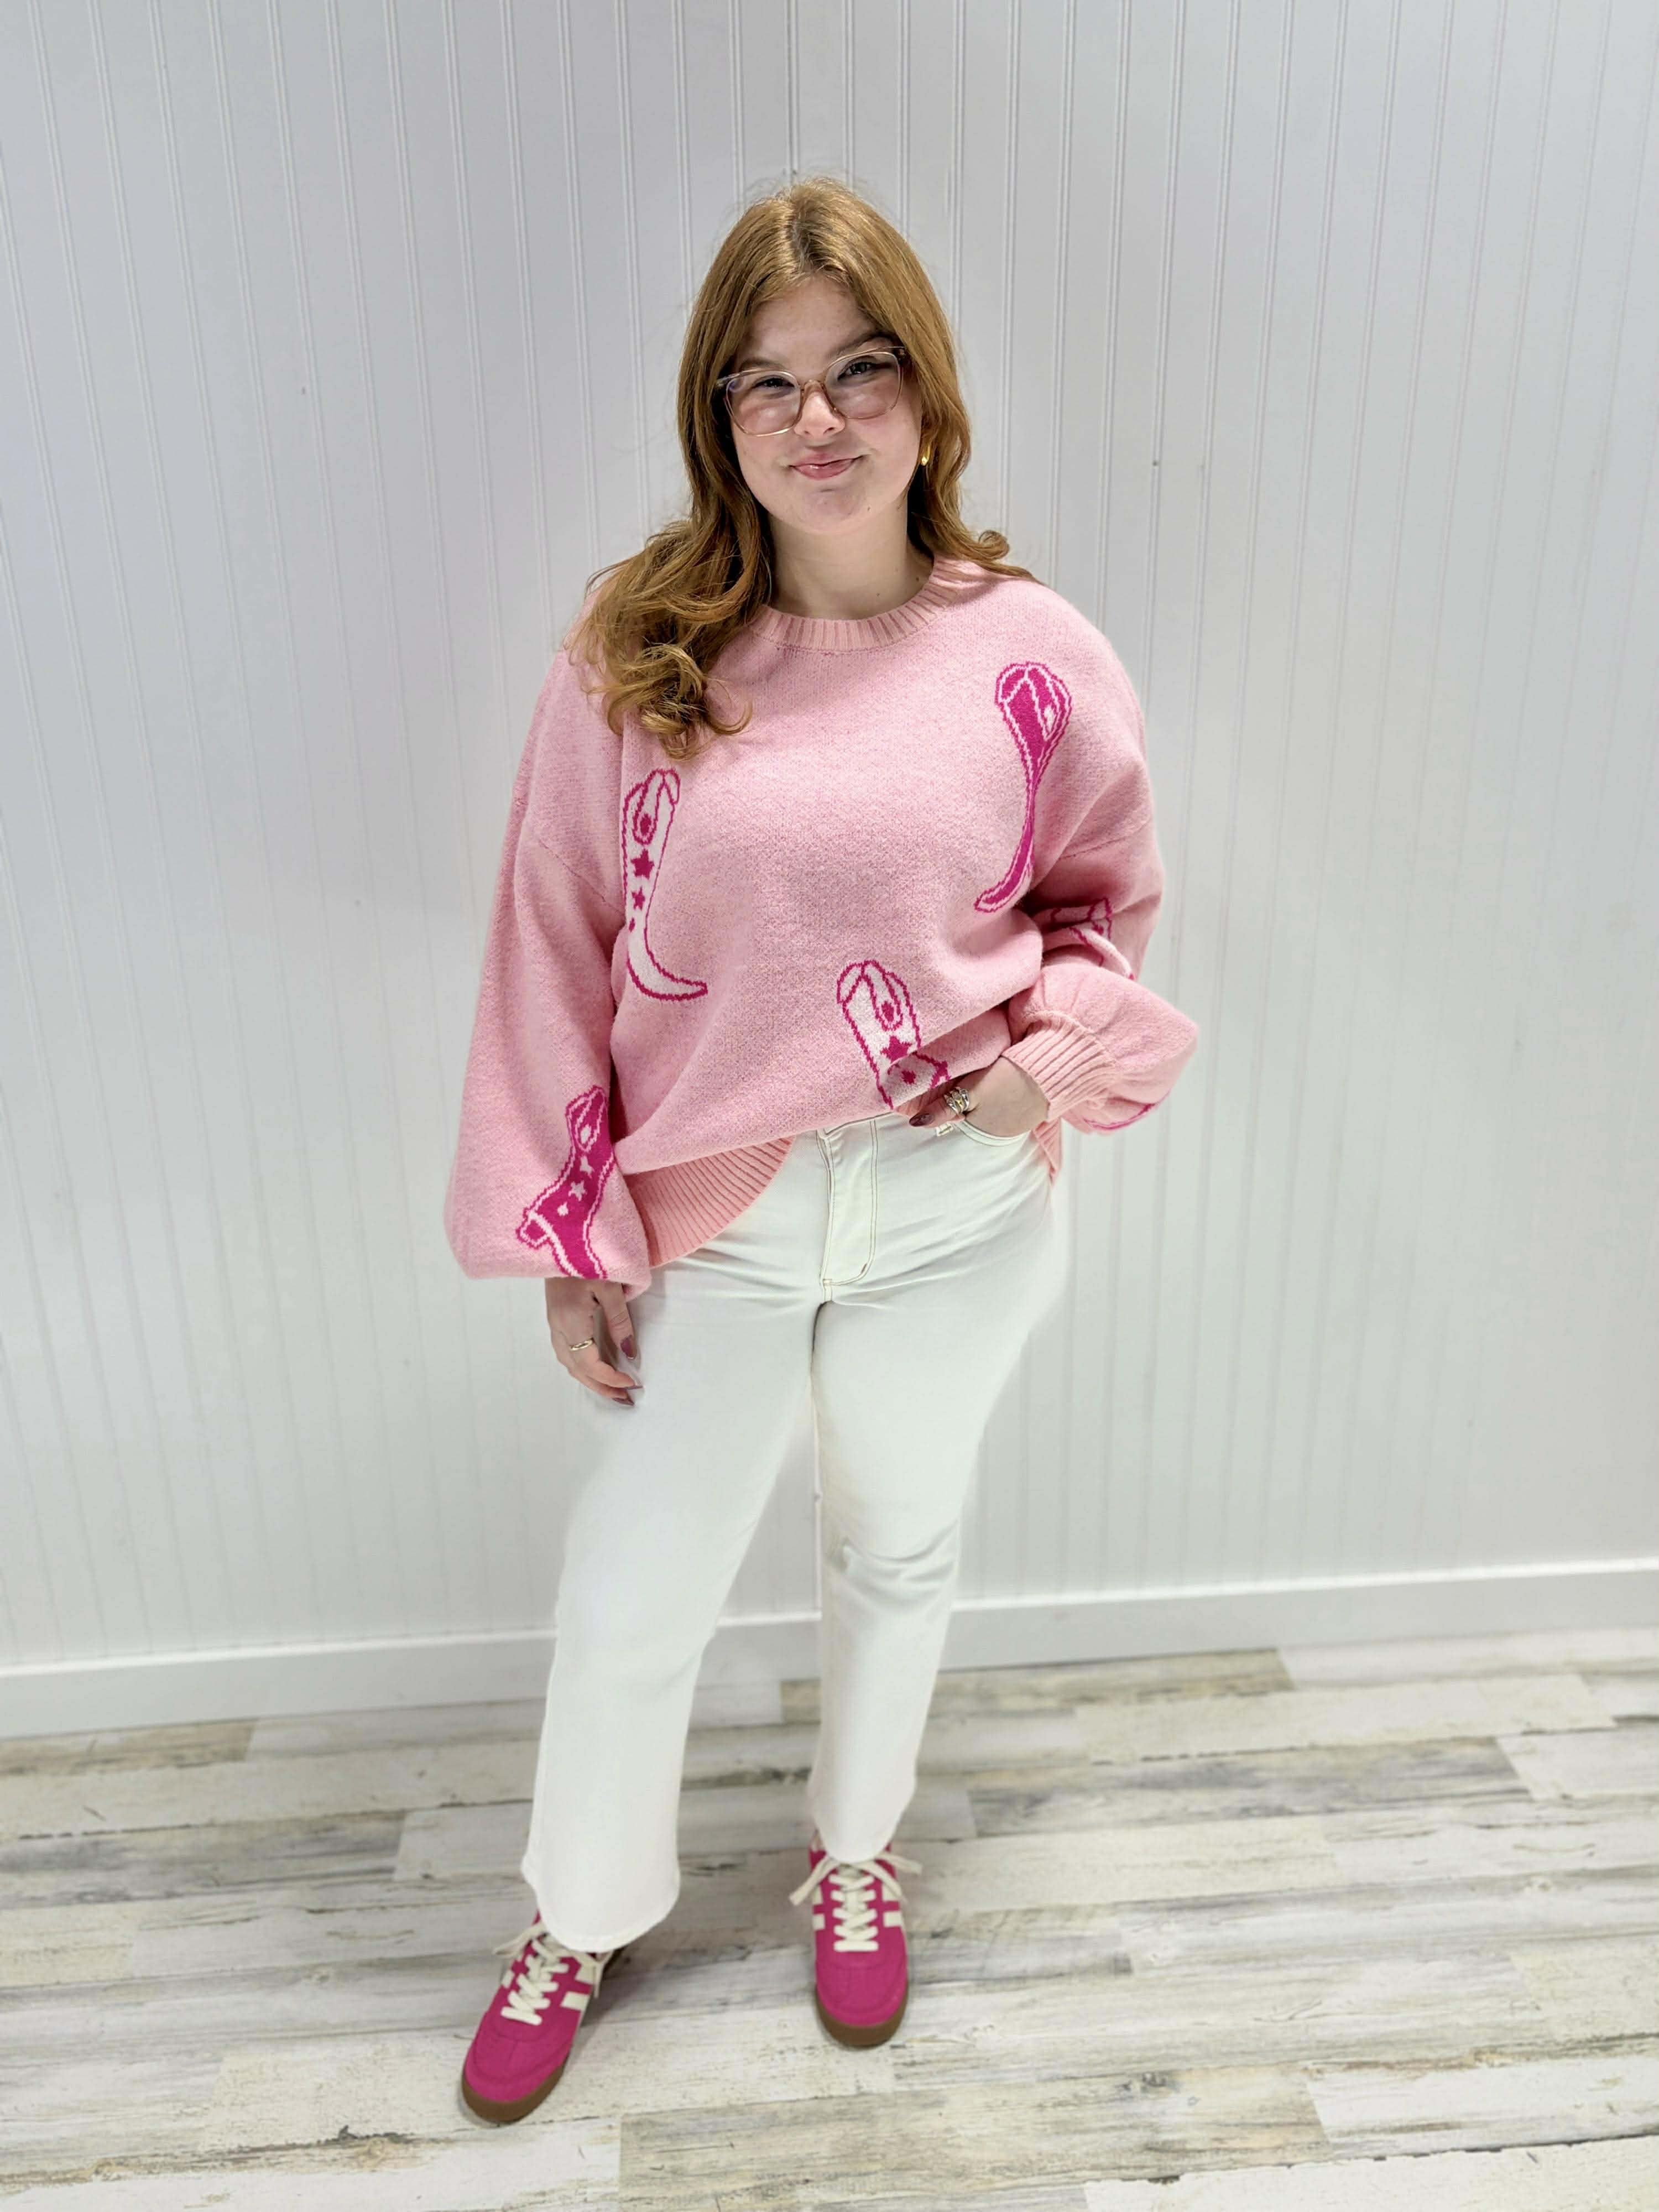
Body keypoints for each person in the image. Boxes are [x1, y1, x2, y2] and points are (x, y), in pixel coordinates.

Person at [442, 175, 1200, 2126]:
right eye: (764, 382)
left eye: (861, 370)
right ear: (719, 418)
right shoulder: (638, 649)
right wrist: (569, 1231)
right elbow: (552, 940)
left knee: (900, 1542)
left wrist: (1044, 1069)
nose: (818, 419)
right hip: (726, 1207)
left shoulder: (1034, 653)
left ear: (928, 398)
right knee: (637, 1587)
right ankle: (581, 1912)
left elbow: (1104, 905)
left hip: (956, 1200)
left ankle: (856, 1851)